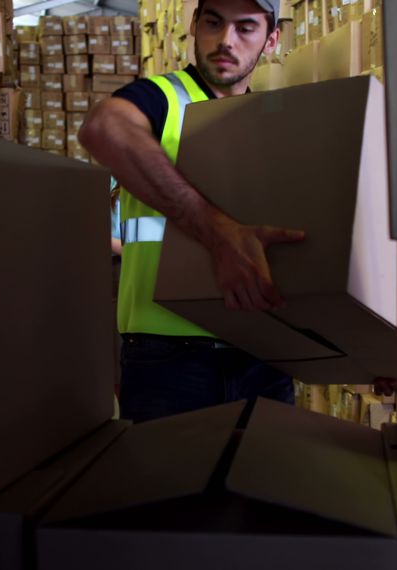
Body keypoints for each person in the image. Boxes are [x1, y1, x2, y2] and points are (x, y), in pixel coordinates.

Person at [79, 0, 306, 422]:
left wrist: (359, 351)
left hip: (265, 352)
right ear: (194, 27)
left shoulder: (278, 122)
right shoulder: (159, 99)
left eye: (246, 28)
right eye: (213, 23)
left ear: (271, 40)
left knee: (267, 486)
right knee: (168, 487)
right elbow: (103, 128)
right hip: (167, 355)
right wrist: (219, 235)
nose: (225, 41)